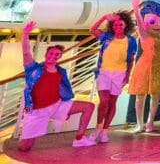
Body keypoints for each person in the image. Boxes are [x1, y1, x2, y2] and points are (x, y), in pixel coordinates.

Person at [18, 20, 96, 151]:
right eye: (51, 53)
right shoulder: (33, 69)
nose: (53, 56)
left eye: (57, 54)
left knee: (89, 106)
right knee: (24, 147)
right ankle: (25, 135)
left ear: (59, 57)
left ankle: (79, 139)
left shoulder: (61, 72)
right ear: (46, 54)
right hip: (36, 111)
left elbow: (64, 90)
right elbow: (26, 53)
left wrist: (67, 109)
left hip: (57, 105)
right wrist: (25, 34)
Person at [88, 9, 137, 143]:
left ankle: (105, 131)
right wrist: (104, 17)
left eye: (120, 24)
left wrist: (128, 75)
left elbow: (131, 59)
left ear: (126, 25)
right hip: (103, 72)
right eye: (115, 24)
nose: (117, 27)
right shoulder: (107, 36)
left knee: (112, 102)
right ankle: (98, 128)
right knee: (104, 101)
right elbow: (92, 29)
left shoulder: (131, 40)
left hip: (120, 73)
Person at [128, 0, 160, 133]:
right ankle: (139, 123)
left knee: (155, 96)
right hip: (144, 67)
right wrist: (136, 10)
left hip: (159, 67)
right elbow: (140, 27)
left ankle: (150, 122)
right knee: (140, 96)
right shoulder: (145, 35)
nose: (158, 24)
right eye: (153, 21)